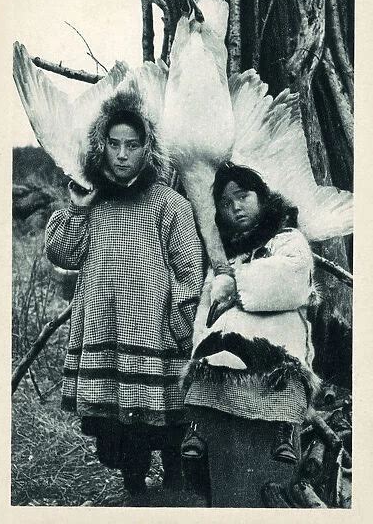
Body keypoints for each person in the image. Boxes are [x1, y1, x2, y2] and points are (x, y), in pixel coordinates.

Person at [45, 92, 204, 498]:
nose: (121, 155)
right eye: (113, 144)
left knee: (167, 432)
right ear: (102, 145)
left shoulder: (169, 204)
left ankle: (174, 493)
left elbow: (190, 272)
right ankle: (134, 492)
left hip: (156, 340)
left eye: (132, 146)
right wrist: (77, 209)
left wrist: (176, 327)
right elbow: (62, 253)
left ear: (146, 149)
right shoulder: (93, 202)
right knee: (121, 437)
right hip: (106, 339)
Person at [181, 162, 320, 507]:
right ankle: (198, 428)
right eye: (227, 205)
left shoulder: (287, 239)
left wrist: (237, 282)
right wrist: (203, 336)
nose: (236, 208)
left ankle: (282, 433)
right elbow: (207, 305)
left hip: (274, 341)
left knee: (286, 369)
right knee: (211, 357)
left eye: (243, 197)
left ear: (262, 196)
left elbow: (294, 274)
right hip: (233, 345)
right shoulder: (227, 256)